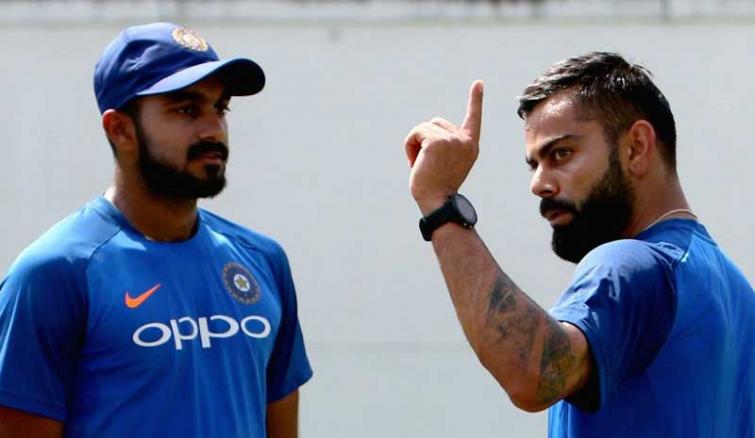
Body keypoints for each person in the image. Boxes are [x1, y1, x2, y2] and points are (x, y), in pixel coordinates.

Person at [404, 52, 753, 436]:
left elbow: (533, 374)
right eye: (534, 164)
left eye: (561, 154)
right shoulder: (735, 292)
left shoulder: (630, 264)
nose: (539, 184)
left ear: (636, 147)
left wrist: (441, 205)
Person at [0, 22, 312, 437]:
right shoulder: (56, 272)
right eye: (186, 110)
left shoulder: (263, 260)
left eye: (220, 108)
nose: (213, 129)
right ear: (120, 130)